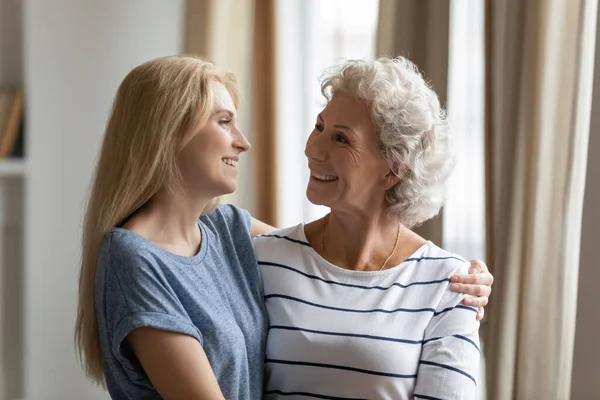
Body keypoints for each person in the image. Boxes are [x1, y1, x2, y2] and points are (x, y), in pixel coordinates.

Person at [74, 55, 492, 399]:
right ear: (166, 130)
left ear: (393, 170)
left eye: (341, 138)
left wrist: (466, 278)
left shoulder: (231, 234)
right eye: (224, 122)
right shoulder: (142, 256)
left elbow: (323, 256)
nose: (244, 141)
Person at [254, 57, 483, 399]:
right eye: (319, 127)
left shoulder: (450, 284)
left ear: (392, 169)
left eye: (341, 139)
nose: (312, 150)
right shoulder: (264, 259)